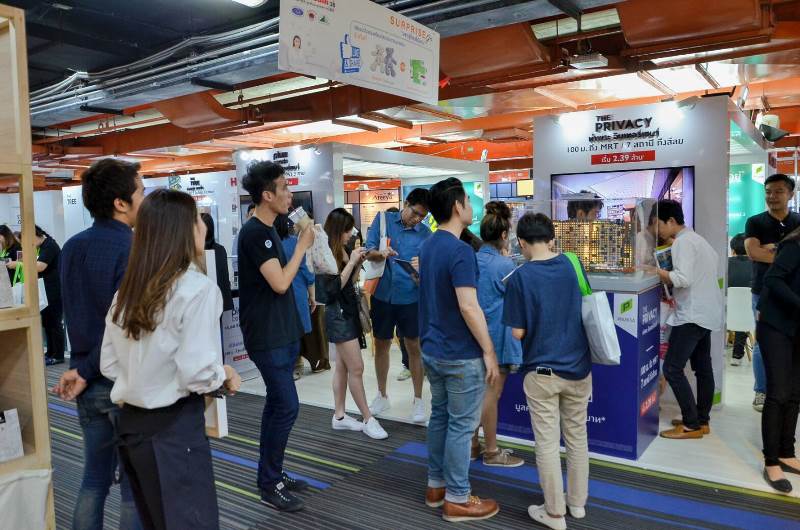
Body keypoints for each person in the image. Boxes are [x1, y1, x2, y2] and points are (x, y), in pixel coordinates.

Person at [99, 189, 241, 530]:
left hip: (132, 428)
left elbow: (109, 364)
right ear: (184, 230)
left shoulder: (127, 292)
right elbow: (197, 372)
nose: (203, 226)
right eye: (198, 219)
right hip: (173, 432)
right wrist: (222, 374)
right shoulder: (196, 289)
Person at [52, 159, 145, 530]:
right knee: (133, 490)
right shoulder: (134, 249)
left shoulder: (72, 247)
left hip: (84, 379)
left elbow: (76, 313)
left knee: (94, 479)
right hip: (121, 382)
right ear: (120, 203)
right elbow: (123, 329)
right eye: (140, 192)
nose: (144, 200)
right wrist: (88, 370)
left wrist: (82, 370)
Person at [503, 212, 592, 530]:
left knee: (547, 443)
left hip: (542, 371)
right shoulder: (573, 263)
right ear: (552, 238)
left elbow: (517, 333)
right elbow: (586, 305)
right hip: (579, 367)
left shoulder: (521, 277)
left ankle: (554, 513)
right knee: (577, 437)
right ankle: (577, 504)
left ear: (521, 242)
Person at [419, 177, 499, 522]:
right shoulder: (461, 250)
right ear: (456, 206)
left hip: (432, 349)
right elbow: (468, 306)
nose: (470, 206)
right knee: (462, 426)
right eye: (467, 199)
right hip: (460, 353)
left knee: (440, 417)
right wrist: (489, 350)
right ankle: (457, 498)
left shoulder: (428, 245)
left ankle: (436, 486)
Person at [237, 160, 314, 512]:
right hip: (267, 337)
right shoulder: (255, 233)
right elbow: (280, 282)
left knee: (277, 406)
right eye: (283, 188)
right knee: (286, 406)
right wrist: (301, 247)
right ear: (267, 195)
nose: (289, 194)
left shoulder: (268, 230)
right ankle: (269, 483)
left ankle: (273, 474)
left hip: (281, 332)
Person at [651, 200, 723, 440]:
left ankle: (691, 424)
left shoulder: (683, 242)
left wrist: (655, 271)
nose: (657, 231)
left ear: (671, 221)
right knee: (703, 368)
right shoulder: (699, 241)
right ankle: (702, 420)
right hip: (706, 313)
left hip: (691, 315)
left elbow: (682, 279)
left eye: (659, 224)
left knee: (672, 368)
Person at [318, 208, 389, 439]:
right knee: (356, 368)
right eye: (347, 230)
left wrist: (357, 262)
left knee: (343, 366)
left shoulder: (344, 248)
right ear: (338, 230)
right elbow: (332, 290)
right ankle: (368, 418)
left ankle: (339, 416)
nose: (350, 235)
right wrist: (351, 264)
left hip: (348, 311)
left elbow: (351, 281)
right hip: (338, 315)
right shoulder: (325, 252)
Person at [365, 189, 432, 423]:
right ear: (406, 203)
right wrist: (380, 253)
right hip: (383, 295)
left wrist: (421, 270)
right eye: (415, 213)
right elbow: (368, 251)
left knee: (414, 347)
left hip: (411, 297)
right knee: (381, 344)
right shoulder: (383, 219)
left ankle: (418, 400)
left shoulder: (426, 234)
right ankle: (382, 395)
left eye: (422, 216)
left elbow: (429, 273)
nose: (417, 219)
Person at [474, 201, 523, 468]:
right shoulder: (504, 266)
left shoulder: (472, 259)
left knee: (477, 394)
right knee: (491, 395)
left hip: (474, 336)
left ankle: (472, 444)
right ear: (504, 234)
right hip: (498, 339)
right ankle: (491, 452)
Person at [745, 174, 800, 412]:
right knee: (763, 342)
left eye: (778, 191)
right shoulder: (755, 222)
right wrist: (788, 256)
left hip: (794, 294)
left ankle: (791, 391)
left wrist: (772, 251)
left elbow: (764, 253)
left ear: (790, 194)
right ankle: (761, 390)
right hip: (763, 291)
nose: (772, 196)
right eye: (768, 192)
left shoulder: (798, 221)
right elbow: (753, 253)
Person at [757, 226, 800, 493]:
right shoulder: (794, 246)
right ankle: (771, 461)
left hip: (796, 328)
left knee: (795, 394)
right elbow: (772, 279)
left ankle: (786, 452)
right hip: (776, 326)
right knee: (779, 393)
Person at [7, 225, 65, 365]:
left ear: (34, 235)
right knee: (47, 323)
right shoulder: (41, 247)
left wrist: (19, 264)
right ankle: (50, 352)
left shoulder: (50, 246)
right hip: (44, 290)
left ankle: (58, 355)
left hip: (54, 290)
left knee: (54, 323)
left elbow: (40, 266)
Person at [273, 213, 317, 380]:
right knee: (295, 332)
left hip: (276, 294)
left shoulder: (268, 244)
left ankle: (283, 366)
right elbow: (306, 271)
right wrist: (312, 295)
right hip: (296, 292)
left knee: (280, 331)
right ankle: (296, 365)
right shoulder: (294, 243)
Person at [201, 213, 234, 314]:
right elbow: (224, 279)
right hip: (218, 303)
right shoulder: (220, 250)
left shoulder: (193, 252)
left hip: (202, 304)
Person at [728, 233, 752, 366]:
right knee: (744, 309)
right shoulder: (757, 266)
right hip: (747, 319)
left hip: (724, 316)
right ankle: (737, 354)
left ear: (733, 250)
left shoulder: (725, 264)